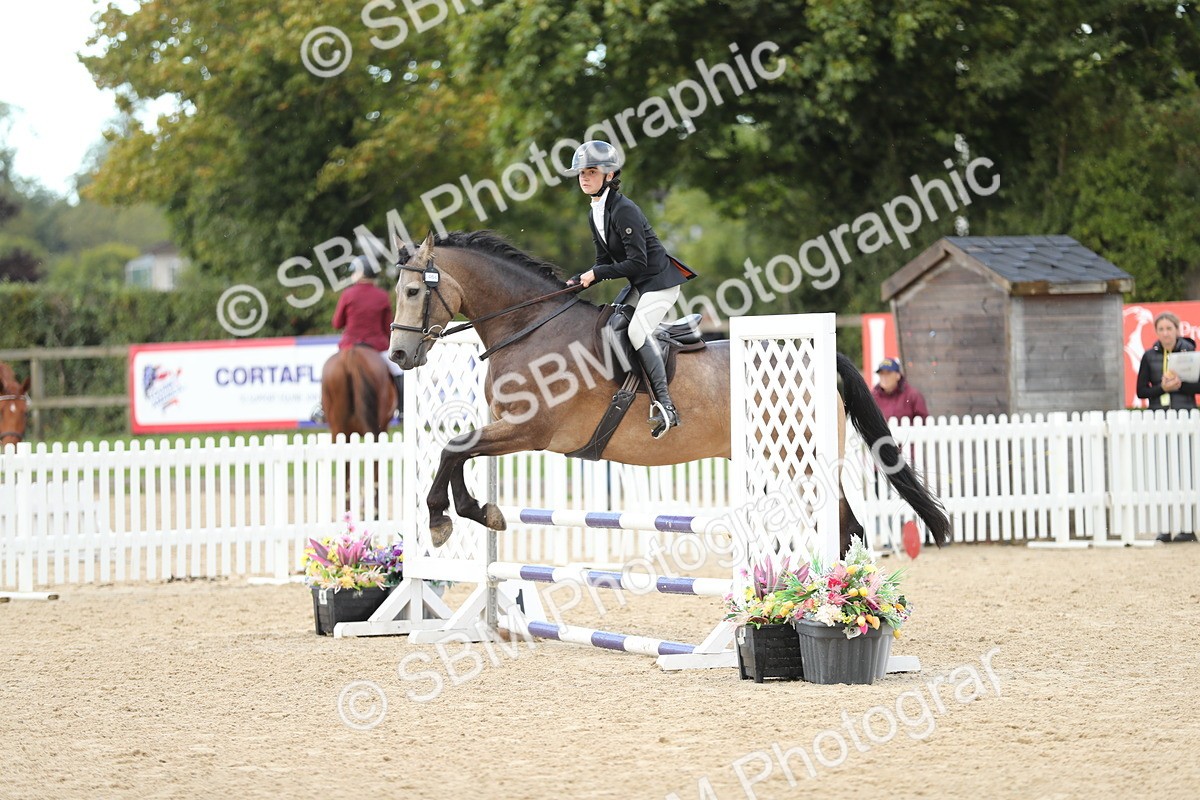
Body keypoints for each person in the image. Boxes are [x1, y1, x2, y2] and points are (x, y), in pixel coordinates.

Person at [563, 140, 697, 438]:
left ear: (610, 175)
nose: (584, 177)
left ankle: (666, 406)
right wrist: (577, 281)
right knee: (612, 325)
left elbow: (637, 262)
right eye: (581, 172)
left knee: (637, 332)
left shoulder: (624, 210)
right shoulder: (596, 210)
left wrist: (596, 273)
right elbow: (603, 261)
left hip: (660, 283)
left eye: (591, 171)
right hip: (641, 284)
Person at [1134, 311, 1199, 543]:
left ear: (1177, 329)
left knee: (1187, 472)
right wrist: (1163, 389)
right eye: (1160, 329)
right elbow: (1142, 391)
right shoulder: (1148, 356)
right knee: (1163, 473)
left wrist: (1180, 386)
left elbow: (1198, 386)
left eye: (1169, 329)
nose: (1165, 333)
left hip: (1185, 417)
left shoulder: (1189, 352)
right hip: (1159, 419)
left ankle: (1189, 527)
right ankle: (1165, 527)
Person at [332, 255, 404, 418]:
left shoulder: (348, 294)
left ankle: (322, 406)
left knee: (329, 368)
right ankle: (402, 408)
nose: (352, 275)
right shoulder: (382, 295)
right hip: (377, 347)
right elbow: (388, 327)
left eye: (354, 272)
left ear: (361, 272)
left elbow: (337, 323)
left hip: (350, 346)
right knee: (398, 372)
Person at [871, 357, 929, 423]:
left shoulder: (912, 395)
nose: (884, 377)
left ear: (898, 375)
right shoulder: (873, 397)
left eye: (888, 373)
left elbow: (924, 421)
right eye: (881, 374)